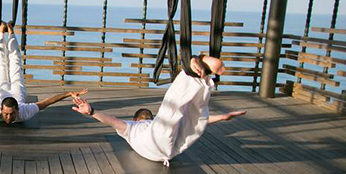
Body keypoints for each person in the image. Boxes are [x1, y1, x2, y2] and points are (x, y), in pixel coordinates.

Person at [71, 55, 246, 166]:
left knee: (194, 119)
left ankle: (201, 75)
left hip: (167, 150)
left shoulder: (137, 127)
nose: (146, 116)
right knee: (173, 112)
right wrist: (92, 111)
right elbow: (113, 121)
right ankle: (192, 70)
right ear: (139, 118)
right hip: (154, 144)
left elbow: (113, 121)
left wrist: (222, 117)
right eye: (145, 116)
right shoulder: (132, 127)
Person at [0, 22, 87, 124]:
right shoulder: (17, 112)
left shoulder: (20, 111)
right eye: (6, 114)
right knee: (15, 62)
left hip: (3, 91)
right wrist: (68, 93)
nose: (8, 117)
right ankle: (10, 33)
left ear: (18, 110)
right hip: (16, 91)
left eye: (11, 114)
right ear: (1, 109)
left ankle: (2, 32)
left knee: (0, 63)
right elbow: (47, 102)